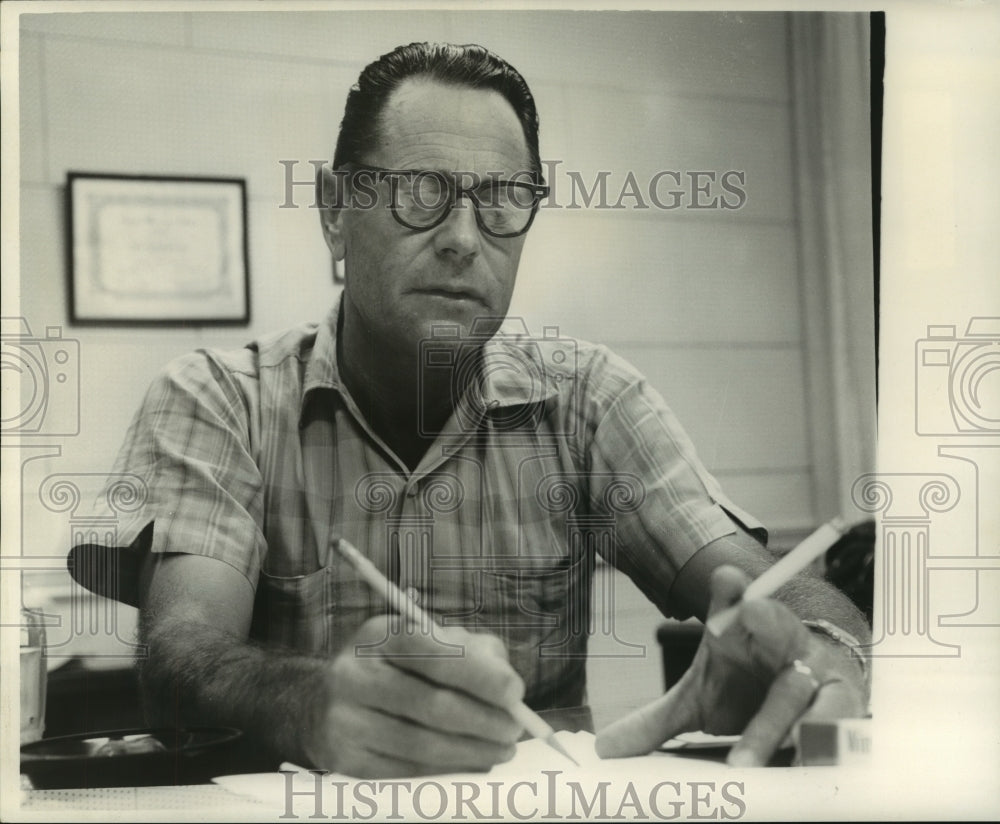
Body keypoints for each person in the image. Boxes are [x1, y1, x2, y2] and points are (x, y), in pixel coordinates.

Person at [71, 42, 870, 778]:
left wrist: (824, 653)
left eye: (502, 199)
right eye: (421, 193)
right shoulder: (221, 400)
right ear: (334, 208)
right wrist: (312, 706)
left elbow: (775, 589)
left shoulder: (587, 401)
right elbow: (181, 657)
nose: (463, 237)